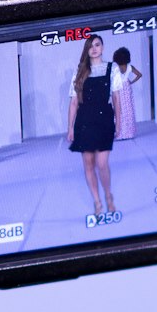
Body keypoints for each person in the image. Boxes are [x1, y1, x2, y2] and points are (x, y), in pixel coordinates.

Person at [67, 34, 116, 214]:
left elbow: (116, 98)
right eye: (91, 46)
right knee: (88, 164)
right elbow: (73, 102)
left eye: (97, 45)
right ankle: (97, 202)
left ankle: (108, 195)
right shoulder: (79, 71)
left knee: (102, 164)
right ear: (87, 50)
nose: (94, 48)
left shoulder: (112, 69)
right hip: (84, 121)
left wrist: (118, 121)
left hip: (104, 120)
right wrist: (70, 127)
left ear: (102, 47)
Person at [111, 46, 142, 141]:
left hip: (118, 89)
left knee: (118, 111)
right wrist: (131, 82)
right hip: (127, 88)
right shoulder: (130, 67)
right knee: (128, 110)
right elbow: (139, 75)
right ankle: (129, 133)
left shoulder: (115, 68)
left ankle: (119, 134)